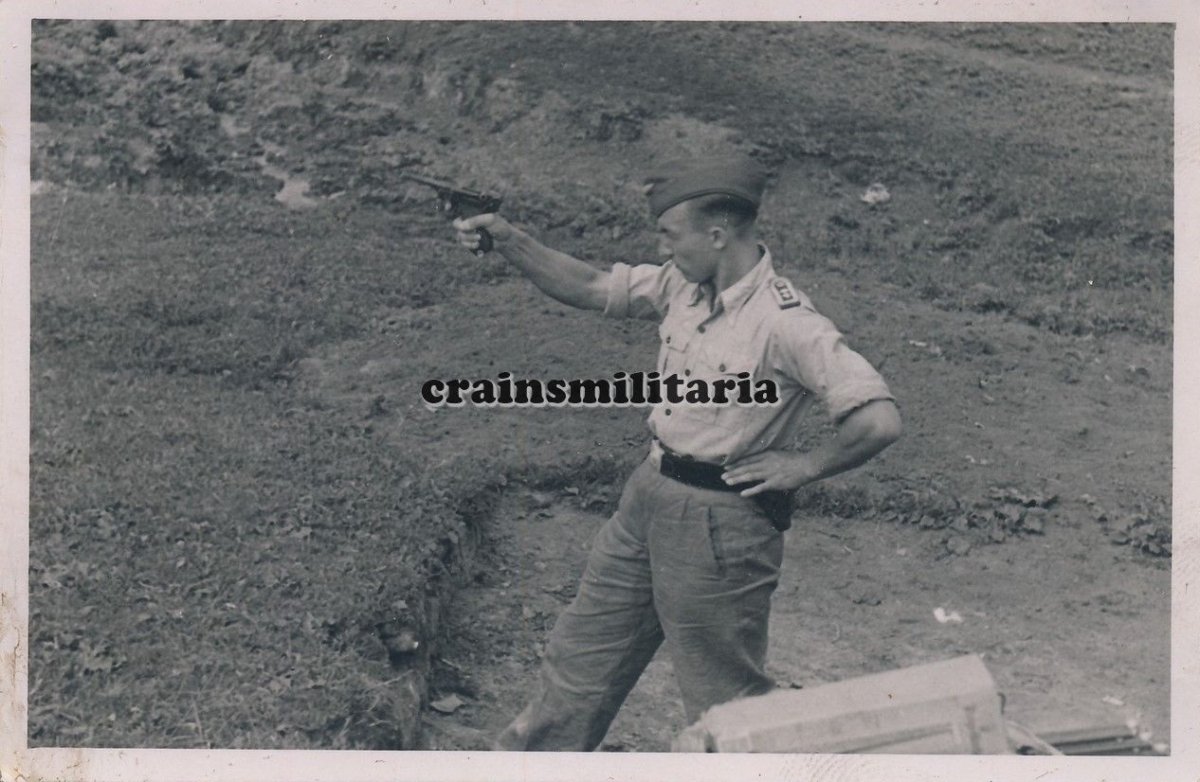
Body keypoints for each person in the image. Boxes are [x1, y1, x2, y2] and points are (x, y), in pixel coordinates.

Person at [451, 156, 902, 751]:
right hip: (648, 496)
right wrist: (509, 240)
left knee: (725, 702)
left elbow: (878, 420)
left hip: (720, 525)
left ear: (716, 235)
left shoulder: (786, 322)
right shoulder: (682, 286)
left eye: (670, 235)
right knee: (579, 664)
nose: (661, 249)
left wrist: (802, 466)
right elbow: (590, 286)